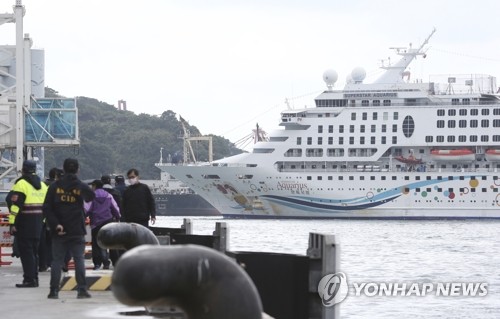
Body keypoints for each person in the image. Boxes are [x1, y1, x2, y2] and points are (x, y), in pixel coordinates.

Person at [43, 158, 95, 299]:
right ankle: (82, 290)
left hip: (59, 229)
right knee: (79, 260)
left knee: (57, 261)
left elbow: (47, 207)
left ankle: (53, 291)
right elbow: (91, 196)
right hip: (76, 229)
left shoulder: (54, 186)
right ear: (78, 170)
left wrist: (56, 224)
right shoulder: (80, 185)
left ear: (63, 169)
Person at [6, 160, 48, 288]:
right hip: (39, 224)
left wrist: (12, 223)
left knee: (26, 253)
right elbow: (47, 207)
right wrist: (42, 221)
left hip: (25, 223)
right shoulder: (43, 185)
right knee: (34, 252)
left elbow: (15, 205)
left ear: (23, 170)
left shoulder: (21, 184)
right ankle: (34, 279)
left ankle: (29, 280)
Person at [84, 179, 120, 270]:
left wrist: (83, 217)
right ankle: (113, 262)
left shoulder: (91, 196)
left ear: (95, 186)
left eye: (92, 186)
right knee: (110, 243)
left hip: (96, 223)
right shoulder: (108, 195)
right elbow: (115, 208)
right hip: (108, 221)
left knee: (96, 244)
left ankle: (97, 264)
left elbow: (86, 209)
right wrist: (118, 216)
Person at [38, 167, 64, 272]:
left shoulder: (43, 185)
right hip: (60, 219)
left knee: (46, 243)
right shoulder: (61, 186)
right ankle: (61, 262)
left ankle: (47, 263)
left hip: (46, 219)